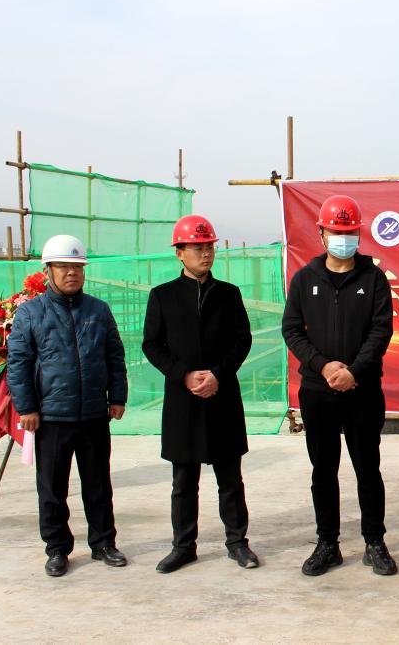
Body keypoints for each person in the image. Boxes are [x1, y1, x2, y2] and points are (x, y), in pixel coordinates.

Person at [282, 195, 398, 577]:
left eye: (349, 232)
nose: (343, 239)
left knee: (368, 468)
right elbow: (292, 330)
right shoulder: (305, 279)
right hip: (318, 393)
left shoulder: (373, 279)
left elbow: (381, 330)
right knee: (323, 470)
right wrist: (323, 365)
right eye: (336, 232)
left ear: (358, 234)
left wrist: (355, 371)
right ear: (321, 233)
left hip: (362, 391)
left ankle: (374, 542)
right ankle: (327, 543)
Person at [142, 215, 259, 573]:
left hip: (222, 396)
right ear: (179, 252)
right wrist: (184, 375)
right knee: (183, 481)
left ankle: (237, 543)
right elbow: (152, 345)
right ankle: (183, 546)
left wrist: (218, 374)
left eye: (209, 247)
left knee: (230, 479)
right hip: (183, 399)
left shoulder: (228, 294)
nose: (206, 253)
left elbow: (242, 339)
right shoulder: (162, 296)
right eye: (197, 247)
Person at [7, 234, 128, 577]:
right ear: (47, 271)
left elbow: (114, 356)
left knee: (98, 484)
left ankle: (103, 543)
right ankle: (57, 549)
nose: (71, 273)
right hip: (51, 416)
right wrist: (27, 408)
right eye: (63, 266)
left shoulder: (98, 311)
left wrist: (117, 397)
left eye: (77, 267)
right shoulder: (31, 313)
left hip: (93, 414)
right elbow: (18, 363)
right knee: (52, 488)